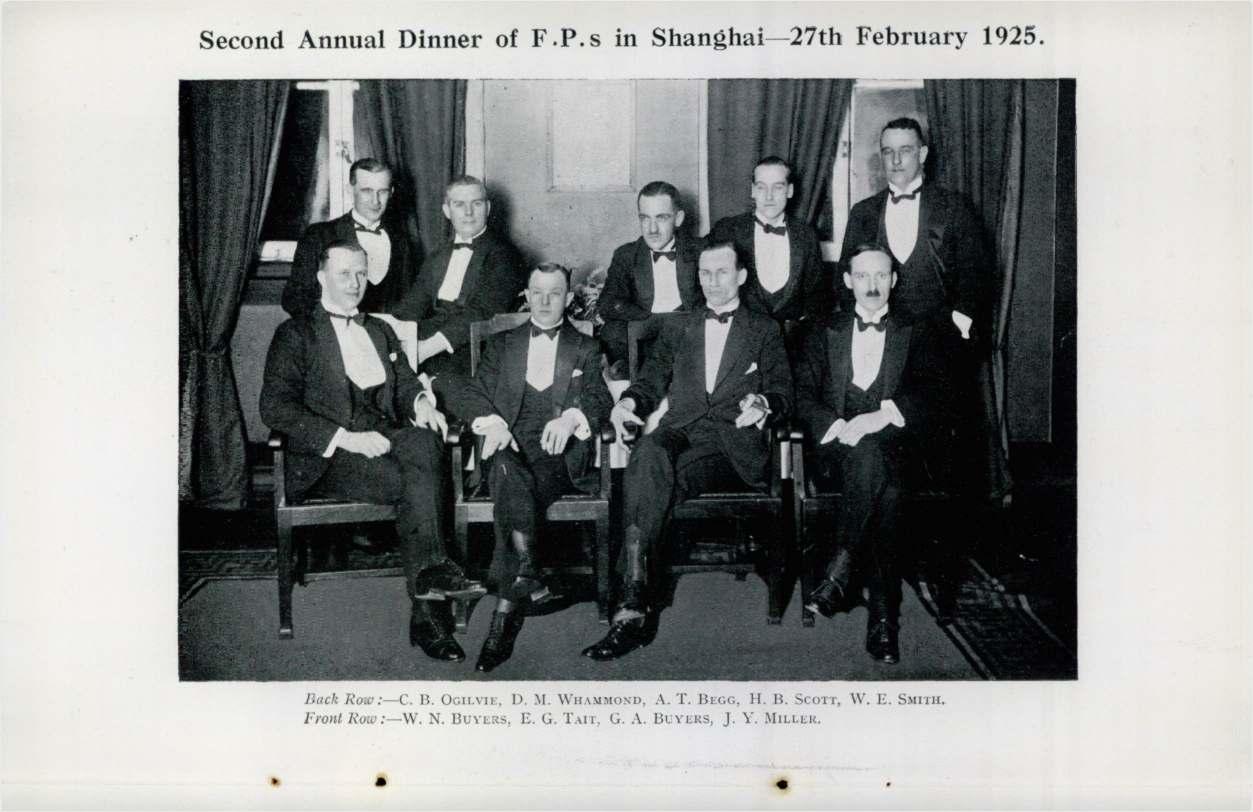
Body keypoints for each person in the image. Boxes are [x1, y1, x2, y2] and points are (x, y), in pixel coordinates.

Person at [260, 241, 482, 664]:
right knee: (415, 482)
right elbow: (275, 407)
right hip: (329, 457)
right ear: (322, 277)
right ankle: (428, 613)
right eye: (344, 273)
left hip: (383, 436)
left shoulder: (380, 330)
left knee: (427, 442)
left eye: (361, 273)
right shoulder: (295, 333)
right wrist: (346, 438)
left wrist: (421, 403)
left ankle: (430, 580)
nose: (354, 282)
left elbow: (405, 382)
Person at [581, 241, 792, 662]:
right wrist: (627, 403)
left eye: (722, 272)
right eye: (705, 274)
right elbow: (651, 379)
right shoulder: (680, 326)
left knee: (649, 480)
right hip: (681, 431)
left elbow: (783, 390)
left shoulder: (764, 329)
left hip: (731, 447)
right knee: (648, 450)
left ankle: (633, 602)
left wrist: (764, 403)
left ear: (741, 276)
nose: (713, 282)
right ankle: (636, 595)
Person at [448, 264, 613, 672]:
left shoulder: (586, 346)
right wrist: (493, 423)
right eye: (537, 292)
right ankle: (522, 577)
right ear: (526, 295)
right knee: (505, 463)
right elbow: (473, 392)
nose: (544, 301)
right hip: (509, 446)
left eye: (554, 293)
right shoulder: (502, 344)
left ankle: (508, 604)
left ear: (568, 298)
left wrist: (571, 418)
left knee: (511, 481)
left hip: (557, 456)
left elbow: (600, 399)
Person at [795, 244, 953, 664]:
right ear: (848, 281)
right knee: (887, 489)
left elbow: (937, 391)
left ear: (894, 280)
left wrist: (882, 417)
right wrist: (838, 427)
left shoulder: (918, 329)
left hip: (899, 448)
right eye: (862, 276)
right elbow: (801, 393)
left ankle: (842, 571)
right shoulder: (821, 329)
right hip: (835, 452)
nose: (872, 285)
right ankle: (883, 619)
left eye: (881, 275)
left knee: (883, 473)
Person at [839, 117, 989, 346]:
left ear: (922, 154)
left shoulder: (955, 207)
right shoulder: (863, 212)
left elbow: (976, 273)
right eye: (888, 152)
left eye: (905, 150)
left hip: (943, 342)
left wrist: (960, 321)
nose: (896, 160)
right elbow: (844, 280)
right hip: (881, 343)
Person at [392, 175, 526, 380]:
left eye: (476, 203)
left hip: (472, 350)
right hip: (426, 341)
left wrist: (426, 348)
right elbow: (414, 303)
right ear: (447, 211)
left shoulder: (504, 255)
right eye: (459, 204)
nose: (468, 212)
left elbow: (482, 312)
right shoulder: (437, 255)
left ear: (488, 208)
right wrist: (384, 331)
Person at [281, 158, 416, 319]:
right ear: (349, 190)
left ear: (391, 193)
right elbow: (294, 299)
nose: (375, 201)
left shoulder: (402, 242)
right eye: (367, 191)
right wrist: (339, 324)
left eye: (382, 191)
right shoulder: (318, 235)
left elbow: (410, 302)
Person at [707, 156, 830, 331]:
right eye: (761, 187)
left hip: (793, 341)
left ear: (790, 191)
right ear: (753, 191)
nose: (769, 196)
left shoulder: (806, 235)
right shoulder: (727, 230)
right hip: (741, 335)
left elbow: (817, 296)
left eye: (778, 187)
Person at [599, 181, 704, 371]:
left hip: (689, 340)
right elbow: (607, 303)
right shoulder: (627, 254)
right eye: (645, 218)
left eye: (661, 218)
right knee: (611, 332)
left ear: (678, 218)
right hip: (645, 339)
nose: (652, 229)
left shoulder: (700, 251)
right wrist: (648, 318)